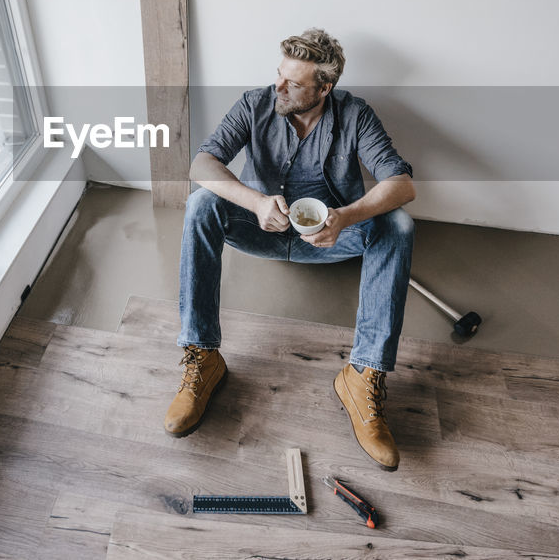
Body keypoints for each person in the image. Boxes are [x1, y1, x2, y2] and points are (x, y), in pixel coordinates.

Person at [164, 28, 416, 470]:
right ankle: (203, 358)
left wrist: (346, 217)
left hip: (330, 237)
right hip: (261, 228)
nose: (278, 87)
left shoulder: (355, 114)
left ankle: (362, 376)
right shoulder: (254, 103)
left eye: (293, 84)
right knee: (201, 202)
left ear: (325, 88)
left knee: (398, 223)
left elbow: (401, 185)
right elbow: (202, 164)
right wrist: (257, 202)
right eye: (279, 75)